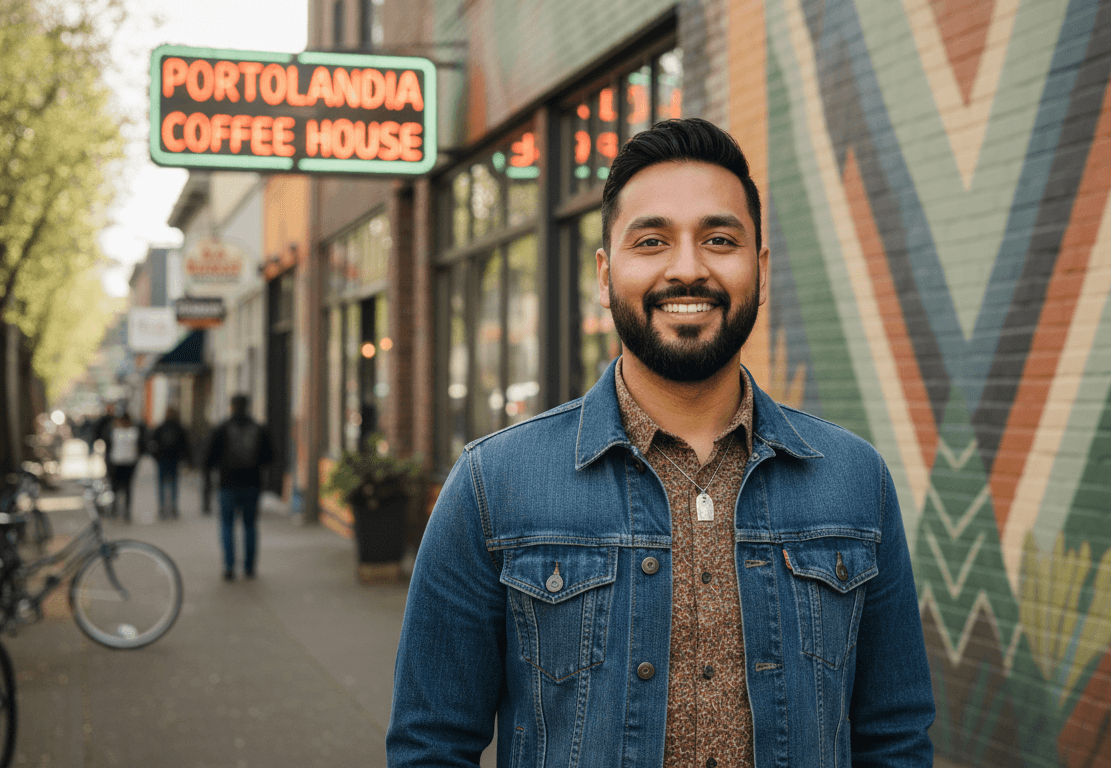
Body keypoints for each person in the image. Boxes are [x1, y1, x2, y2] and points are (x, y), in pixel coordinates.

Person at [387, 119, 934, 767]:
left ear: (759, 268)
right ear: (604, 272)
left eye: (719, 239)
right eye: (651, 240)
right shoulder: (492, 484)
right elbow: (431, 746)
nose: (687, 268)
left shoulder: (855, 480)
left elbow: (895, 738)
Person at [204, 394, 273, 581]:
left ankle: (229, 566)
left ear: (232, 407)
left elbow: (208, 458)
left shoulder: (222, 429)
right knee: (250, 526)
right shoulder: (259, 429)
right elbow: (270, 457)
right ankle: (250, 568)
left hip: (228, 484)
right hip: (252, 483)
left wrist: (208, 487)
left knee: (227, 525)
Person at [149, 407, 190, 520]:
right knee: (173, 484)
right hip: (173, 460)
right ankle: (172, 507)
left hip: (164, 459)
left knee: (163, 484)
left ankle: (164, 507)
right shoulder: (179, 427)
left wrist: (156, 457)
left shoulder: (162, 427)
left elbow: (152, 443)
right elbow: (185, 444)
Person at [104, 408, 144, 522]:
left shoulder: (116, 431)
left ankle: (118, 510)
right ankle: (122, 510)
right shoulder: (133, 431)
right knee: (125, 488)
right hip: (126, 462)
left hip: (119, 462)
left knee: (118, 488)